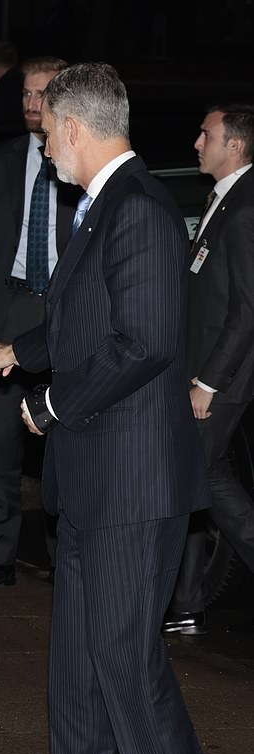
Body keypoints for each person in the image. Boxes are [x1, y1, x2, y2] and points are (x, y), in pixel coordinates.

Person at [0, 63, 237, 754]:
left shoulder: (141, 211)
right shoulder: (98, 207)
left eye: (48, 130)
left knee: (128, 662)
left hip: (132, 482)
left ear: (78, 129)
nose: (43, 144)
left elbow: (147, 342)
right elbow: (81, 318)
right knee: (77, 664)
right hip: (91, 478)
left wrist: (49, 403)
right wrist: (26, 353)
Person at [0, 56, 76, 590]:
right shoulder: (1, 158)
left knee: (62, 442)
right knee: (1, 443)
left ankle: (64, 561)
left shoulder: (80, 162)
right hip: (5, 310)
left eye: (43, 94)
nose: (32, 104)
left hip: (60, 312)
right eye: (26, 94)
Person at [163, 105, 254, 637]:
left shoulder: (243, 210)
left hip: (220, 379)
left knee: (193, 480)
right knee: (202, 479)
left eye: (207, 134)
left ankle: (181, 599)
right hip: (202, 371)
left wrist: (208, 383)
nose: (197, 142)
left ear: (236, 146)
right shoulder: (223, 201)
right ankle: (186, 600)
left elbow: (246, 310)